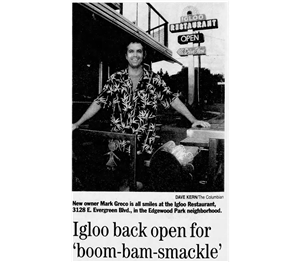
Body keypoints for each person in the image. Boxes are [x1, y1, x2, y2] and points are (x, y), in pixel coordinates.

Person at [72, 38, 210, 190]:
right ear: (126, 56)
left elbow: (172, 99)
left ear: (144, 55)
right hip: (119, 145)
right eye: (131, 51)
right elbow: (99, 101)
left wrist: (193, 119)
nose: (135, 55)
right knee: (118, 185)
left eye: (139, 51)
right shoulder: (116, 79)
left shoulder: (154, 79)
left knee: (138, 185)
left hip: (143, 146)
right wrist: (77, 123)